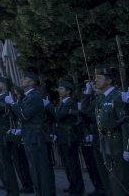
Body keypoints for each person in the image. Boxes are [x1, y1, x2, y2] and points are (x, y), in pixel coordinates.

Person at [5, 71, 55, 196]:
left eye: (26, 79)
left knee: (41, 169)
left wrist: (13, 103)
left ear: (32, 82)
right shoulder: (27, 96)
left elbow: (24, 115)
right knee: (34, 169)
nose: (22, 80)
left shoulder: (35, 96)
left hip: (36, 137)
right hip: (30, 136)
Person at [88, 67, 128, 196]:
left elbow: (125, 124)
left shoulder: (117, 96)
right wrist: (87, 93)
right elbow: (86, 111)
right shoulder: (102, 98)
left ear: (109, 80)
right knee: (109, 180)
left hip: (117, 144)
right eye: (96, 77)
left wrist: (127, 148)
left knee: (119, 180)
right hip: (105, 143)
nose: (96, 80)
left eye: (99, 78)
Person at [46, 78, 84, 196]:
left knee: (72, 164)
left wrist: (48, 105)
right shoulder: (62, 102)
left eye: (61, 88)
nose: (59, 90)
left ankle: (77, 188)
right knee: (67, 164)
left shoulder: (70, 102)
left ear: (68, 91)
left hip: (69, 137)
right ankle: (72, 185)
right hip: (62, 137)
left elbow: (59, 115)